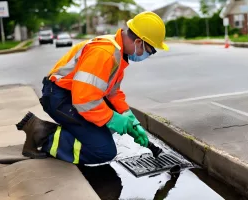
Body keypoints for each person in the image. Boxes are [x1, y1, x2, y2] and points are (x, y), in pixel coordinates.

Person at [15, 11, 169, 165]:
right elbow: (84, 100)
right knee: (103, 151)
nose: (149, 54)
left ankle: (81, 132)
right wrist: (112, 118)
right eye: (151, 50)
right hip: (58, 97)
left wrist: (129, 117)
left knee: (107, 122)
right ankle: (42, 134)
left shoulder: (118, 53)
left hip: (70, 95)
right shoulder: (105, 53)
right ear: (139, 42)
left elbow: (113, 93)